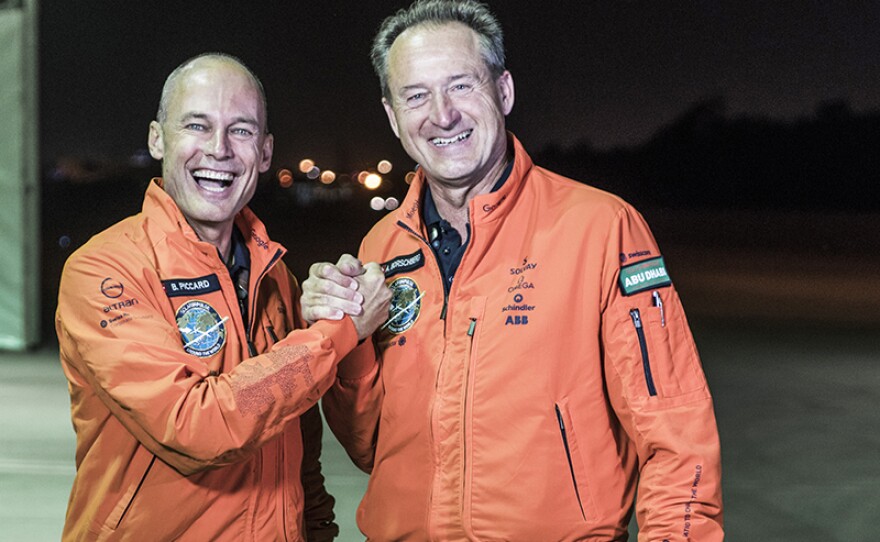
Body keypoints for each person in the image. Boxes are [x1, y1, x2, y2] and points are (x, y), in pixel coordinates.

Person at [301, 1, 724, 540]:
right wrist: (347, 339)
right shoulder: (380, 247)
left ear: (503, 91)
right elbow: (373, 448)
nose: (442, 114)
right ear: (392, 116)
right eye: (415, 96)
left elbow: (677, 434)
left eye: (460, 86)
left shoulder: (601, 228)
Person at [55, 53, 390, 541]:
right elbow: (196, 427)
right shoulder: (105, 270)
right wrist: (338, 332)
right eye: (197, 125)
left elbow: (299, 452)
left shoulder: (277, 279)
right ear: (156, 139)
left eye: (241, 130)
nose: (219, 149)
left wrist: (316, 531)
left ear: (266, 151)